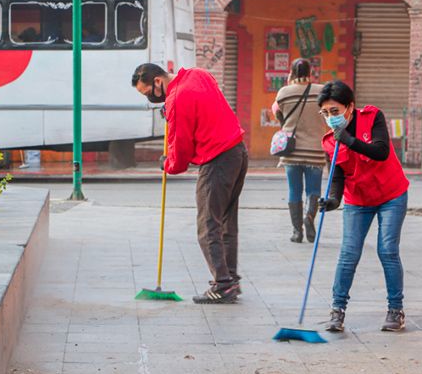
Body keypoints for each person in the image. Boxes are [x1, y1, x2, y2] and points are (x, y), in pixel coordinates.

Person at [131, 64, 248, 304]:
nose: (150, 98)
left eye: (148, 93)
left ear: (157, 82)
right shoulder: (198, 74)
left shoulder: (176, 99)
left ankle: (223, 284)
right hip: (237, 152)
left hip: (216, 160)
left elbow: (181, 150)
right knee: (226, 220)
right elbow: (203, 107)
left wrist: (167, 163)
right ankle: (230, 279)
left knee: (208, 226)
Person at [317, 80, 409, 332]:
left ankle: (395, 310)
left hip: (391, 194)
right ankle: (337, 311)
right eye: (325, 113)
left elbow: (381, 152)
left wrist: (348, 140)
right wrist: (333, 201)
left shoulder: (373, 117)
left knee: (387, 250)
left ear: (350, 107)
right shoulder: (329, 141)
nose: (331, 118)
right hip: (358, 199)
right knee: (348, 254)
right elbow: (336, 176)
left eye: (335, 112)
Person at [272, 58, 326, 243]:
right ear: (310, 72)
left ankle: (297, 232)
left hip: (291, 151)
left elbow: (279, 116)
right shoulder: (321, 92)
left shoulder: (284, 92)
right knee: (314, 190)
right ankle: (309, 217)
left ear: (292, 72)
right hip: (315, 150)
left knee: (294, 191)